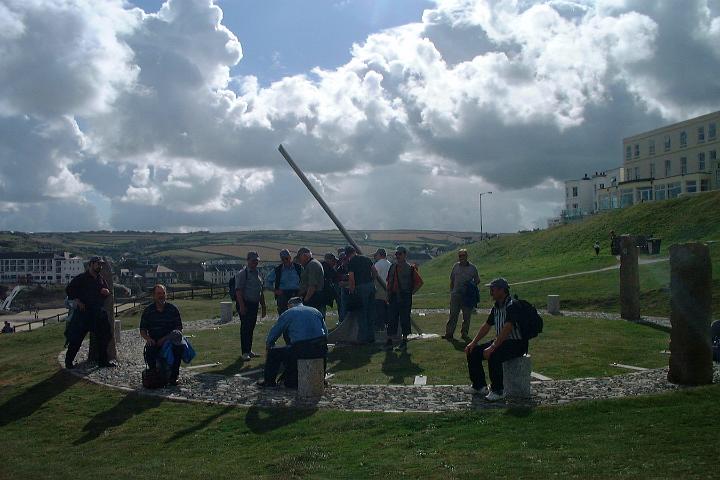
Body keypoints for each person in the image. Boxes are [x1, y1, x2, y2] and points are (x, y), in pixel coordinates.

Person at [464, 278, 528, 402]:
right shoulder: (496, 307)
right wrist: (473, 342)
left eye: (493, 289)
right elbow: (487, 326)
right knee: (473, 351)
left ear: (502, 290)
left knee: (494, 355)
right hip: (502, 341)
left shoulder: (512, 305)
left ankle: (498, 390)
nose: (491, 292)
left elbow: (507, 328)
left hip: (517, 343)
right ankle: (479, 386)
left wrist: (492, 347)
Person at [258, 297, 328, 388]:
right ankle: (320, 378)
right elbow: (325, 332)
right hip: (320, 348)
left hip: (301, 348)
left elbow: (275, 332)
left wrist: (269, 345)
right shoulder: (315, 311)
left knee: (274, 353)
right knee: (293, 350)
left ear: (289, 305)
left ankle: (269, 382)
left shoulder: (289, 313)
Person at [64, 256, 113, 369]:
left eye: (101, 265)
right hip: (84, 313)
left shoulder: (101, 279)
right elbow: (69, 290)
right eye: (97, 264)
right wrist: (77, 300)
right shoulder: (81, 278)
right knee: (76, 338)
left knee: (105, 336)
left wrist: (106, 292)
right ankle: (68, 361)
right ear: (90, 264)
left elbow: (106, 292)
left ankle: (103, 361)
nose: (100, 266)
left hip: (97, 312)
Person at [139, 284, 186, 386]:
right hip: (154, 339)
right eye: (158, 293)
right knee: (149, 350)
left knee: (179, 347)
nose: (161, 296)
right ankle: (155, 375)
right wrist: (148, 338)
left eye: (163, 293)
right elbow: (142, 329)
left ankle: (174, 377)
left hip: (170, 339)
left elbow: (179, 328)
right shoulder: (148, 311)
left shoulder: (172, 309)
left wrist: (166, 339)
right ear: (154, 296)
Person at [385, 246, 423, 349]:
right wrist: (388, 295)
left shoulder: (410, 268)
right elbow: (389, 282)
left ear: (404, 255)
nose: (397, 256)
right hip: (393, 296)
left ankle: (404, 341)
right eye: (396, 254)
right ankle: (389, 340)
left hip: (405, 297)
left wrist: (410, 293)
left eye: (400, 254)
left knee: (404, 319)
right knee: (391, 319)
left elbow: (419, 282)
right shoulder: (392, 267)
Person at [235, 251, 267, 361]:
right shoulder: (243, 273)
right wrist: (242, 306)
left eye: (257, 261)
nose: (255, 262)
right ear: (248, 260)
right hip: (245, 303)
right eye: (253, 260)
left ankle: (249, 350)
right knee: (245, 328)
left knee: (251, 327)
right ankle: (245, 352)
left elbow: (260, 290)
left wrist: (263, 305)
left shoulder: (257, 273)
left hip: (254, 304)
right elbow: (238, 291)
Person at [443, 249, 480, 340]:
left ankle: (464, 333)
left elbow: (477, 280)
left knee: (466, 316)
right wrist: (452, 292)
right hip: (455, 295)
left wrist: (471, 286)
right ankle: (449, 333)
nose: (461, 257)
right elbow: (452, 280)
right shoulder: (455, 266)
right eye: (460, 256)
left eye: (463, 255)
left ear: (467, 256)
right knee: (453, 314)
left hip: (467, 296)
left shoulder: (472, 268)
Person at [345, 246, 377, 344]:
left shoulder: (351, 262)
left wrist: (351, 291)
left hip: (360, 288)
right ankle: (371, 337)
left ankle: (363, 338)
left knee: (362, 314)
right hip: (371, 286)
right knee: (370, 312)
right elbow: (375, 271)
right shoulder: (366, 258)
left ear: (347, 254)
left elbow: (351, 278)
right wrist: (372, 281)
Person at [265, 249, 302, 315]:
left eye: (286, 258)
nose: (285, 260)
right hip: (283, 295)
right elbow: (267, 282)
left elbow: (306, 280)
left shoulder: (299, 268)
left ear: (290, 257)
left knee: (298, 315)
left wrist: (302, 291)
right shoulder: (277, 270)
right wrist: (275, 290)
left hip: (297, 294)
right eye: (283, 259)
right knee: (284, 315)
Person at [297, 247, 326, 317]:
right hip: (313, 297)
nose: (299, 260)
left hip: (314, 299)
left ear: (305, 256)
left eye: (299, 257)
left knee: (313, 318)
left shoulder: (312, 265)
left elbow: (312, 286)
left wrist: (306, 301)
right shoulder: (310, 264)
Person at [373, 248, 391, 331]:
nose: (375, 256)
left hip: (379, 290)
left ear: (380, 255)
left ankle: (380, 327)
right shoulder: (389, 264)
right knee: (386, 310)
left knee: (379, 310)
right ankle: (386, 326)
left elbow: (374, 277)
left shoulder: (377, 265)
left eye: (376, 255)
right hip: (388, 289)